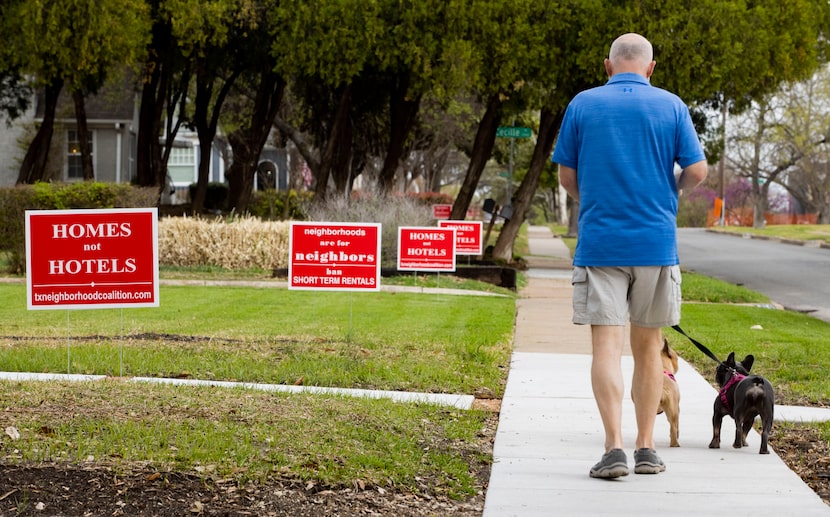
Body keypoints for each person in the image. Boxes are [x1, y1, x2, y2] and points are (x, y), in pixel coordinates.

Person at [551, 33, 708, 478]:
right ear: (651, 68)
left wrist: (597, 199)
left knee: (606, 347)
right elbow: (697, 170)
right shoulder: (672, 106)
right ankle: (646, 448)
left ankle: (613, 448)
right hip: (655, 245)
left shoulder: (582, 104)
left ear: (608, 66)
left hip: (601, 244)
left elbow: (566, 177)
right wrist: (669, 193)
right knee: (649, 348)